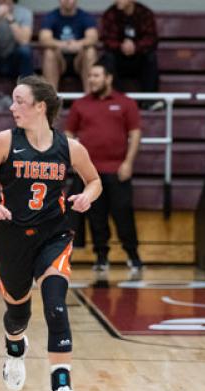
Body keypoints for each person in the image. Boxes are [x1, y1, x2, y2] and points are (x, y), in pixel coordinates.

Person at [0, 75, 102, 391]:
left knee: (56, 305)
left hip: (53, 236)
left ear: (40, 106)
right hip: (12, 238)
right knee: (18, 314)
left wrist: (87, 197)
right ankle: (15, 349)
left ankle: (62, 388)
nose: (12, 107)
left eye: (19, 101)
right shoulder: (4, 141)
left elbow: (95, 180)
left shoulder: (70, 147)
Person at [65, 61, 143, 274]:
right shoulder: (80, 104)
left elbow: (135, 133)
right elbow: (69, 133)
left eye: (96, 75)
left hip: (118, 170)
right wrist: (76, 159)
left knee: (123, 214)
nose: (92, 79)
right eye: (90, 76)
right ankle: (101, 257)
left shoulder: (125, 103)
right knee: (95, 217)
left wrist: (128, 162)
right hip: (90, 174)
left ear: (108, 78)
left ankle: (133, 256)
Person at [101, 0, 162, 110]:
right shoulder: (110, 14)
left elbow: (152, 39)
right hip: (118, 58)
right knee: (107, 59)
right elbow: (106, 40)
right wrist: (121, 46)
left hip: (138, 58)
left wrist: (135, 47)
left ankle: (149, 101)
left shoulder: (145, 13)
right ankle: (116, 100)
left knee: (151, 57)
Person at [39, 0, 98, 93]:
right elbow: (44, 39)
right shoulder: (51, 16)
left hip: (79, 60)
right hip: (59, 60)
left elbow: (93, 38)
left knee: (90, 51)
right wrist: (63, 45)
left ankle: (90, 97)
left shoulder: (85, 16)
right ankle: (51, 99)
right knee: (49, 52)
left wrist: (78, 44)